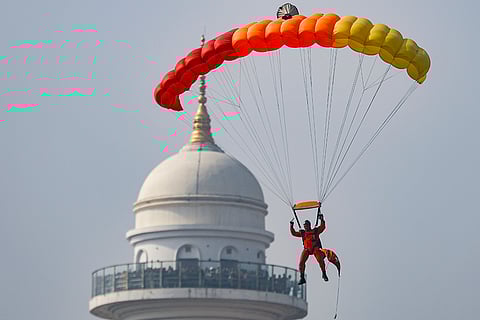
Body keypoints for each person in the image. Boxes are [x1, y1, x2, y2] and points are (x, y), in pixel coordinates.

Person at [290, 214, 328, 284]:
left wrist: (322, 220)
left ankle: (324, 273)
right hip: (307, 249)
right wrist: (291, 225)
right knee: (301, 262)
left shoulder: (315, 231)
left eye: (306, 225)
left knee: (320, 260)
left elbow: (322, 227)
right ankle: (302, 277)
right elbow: (294, 233)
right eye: (304, 226)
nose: (305, 227)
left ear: (309, 225)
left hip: (315, 248)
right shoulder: (303, 233)